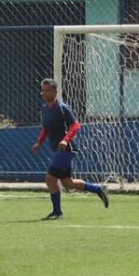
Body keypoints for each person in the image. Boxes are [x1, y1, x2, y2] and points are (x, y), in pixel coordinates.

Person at [31, 78, 109, 220]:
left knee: (50, 179)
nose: (44, 93)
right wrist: (38, 142)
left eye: (48, 90)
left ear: (55, 91)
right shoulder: (44, 109)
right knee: (68, 183)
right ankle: (98, 189)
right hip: (58, 150)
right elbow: (46, 128)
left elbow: (76, 125)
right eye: (43, 90)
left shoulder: (62, 108)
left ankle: (57, 213)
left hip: (67, 149)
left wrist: (65, 140)